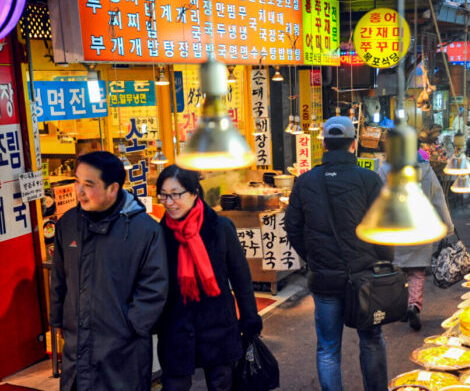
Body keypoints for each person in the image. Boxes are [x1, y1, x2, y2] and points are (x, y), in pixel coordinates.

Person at [285, 116, 392, 391]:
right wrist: (384, 261)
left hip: (324, 279)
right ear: (353, 145)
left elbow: (293, 227)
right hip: (365, 276)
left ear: (324, 144)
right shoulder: (369, 179)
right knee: (371, 338)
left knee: (328, 349)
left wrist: (312, 258)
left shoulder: (305, 181)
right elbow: (384, 227)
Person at [50, 151, 168, 391]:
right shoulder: (69, 224)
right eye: (77, 182)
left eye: (89, 184)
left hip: (123, 350)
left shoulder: (144, 230)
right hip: (77, 346)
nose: (79, 191)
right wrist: (59, 319)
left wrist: (130, 325)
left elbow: (155, 287)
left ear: (113, 189)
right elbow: (59, 278)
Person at [154, 165, 262, 391]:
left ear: (194, 193)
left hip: (218, 324)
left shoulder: (220, 227)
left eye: (176, 194)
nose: (169, 202)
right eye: (163, 195)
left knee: (221, 384)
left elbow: (240, 277)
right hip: (176, 327)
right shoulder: (158, 234)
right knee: (174, 385)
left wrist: (250, 318)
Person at [378, 151, 454, 331]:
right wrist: (448, 226)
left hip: (393, 229)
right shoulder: (426, 170)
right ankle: (413, 306)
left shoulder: (384, 169)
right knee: (417, 271)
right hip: (421, 227)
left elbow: (376, 198)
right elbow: (438, 199)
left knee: (397, 271)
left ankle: (399, 307)